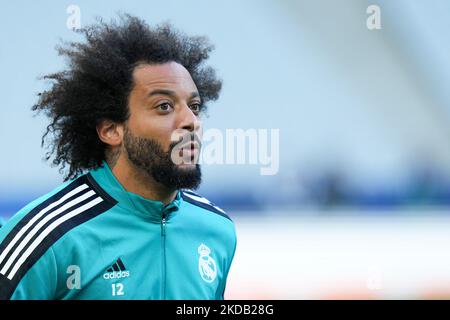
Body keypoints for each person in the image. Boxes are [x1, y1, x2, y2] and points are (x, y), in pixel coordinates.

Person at [0, 15, 236, 300]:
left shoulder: (217, 230)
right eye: (164, 106)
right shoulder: (48, 236)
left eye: (194, 106)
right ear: (112, 130)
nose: (191, 121)